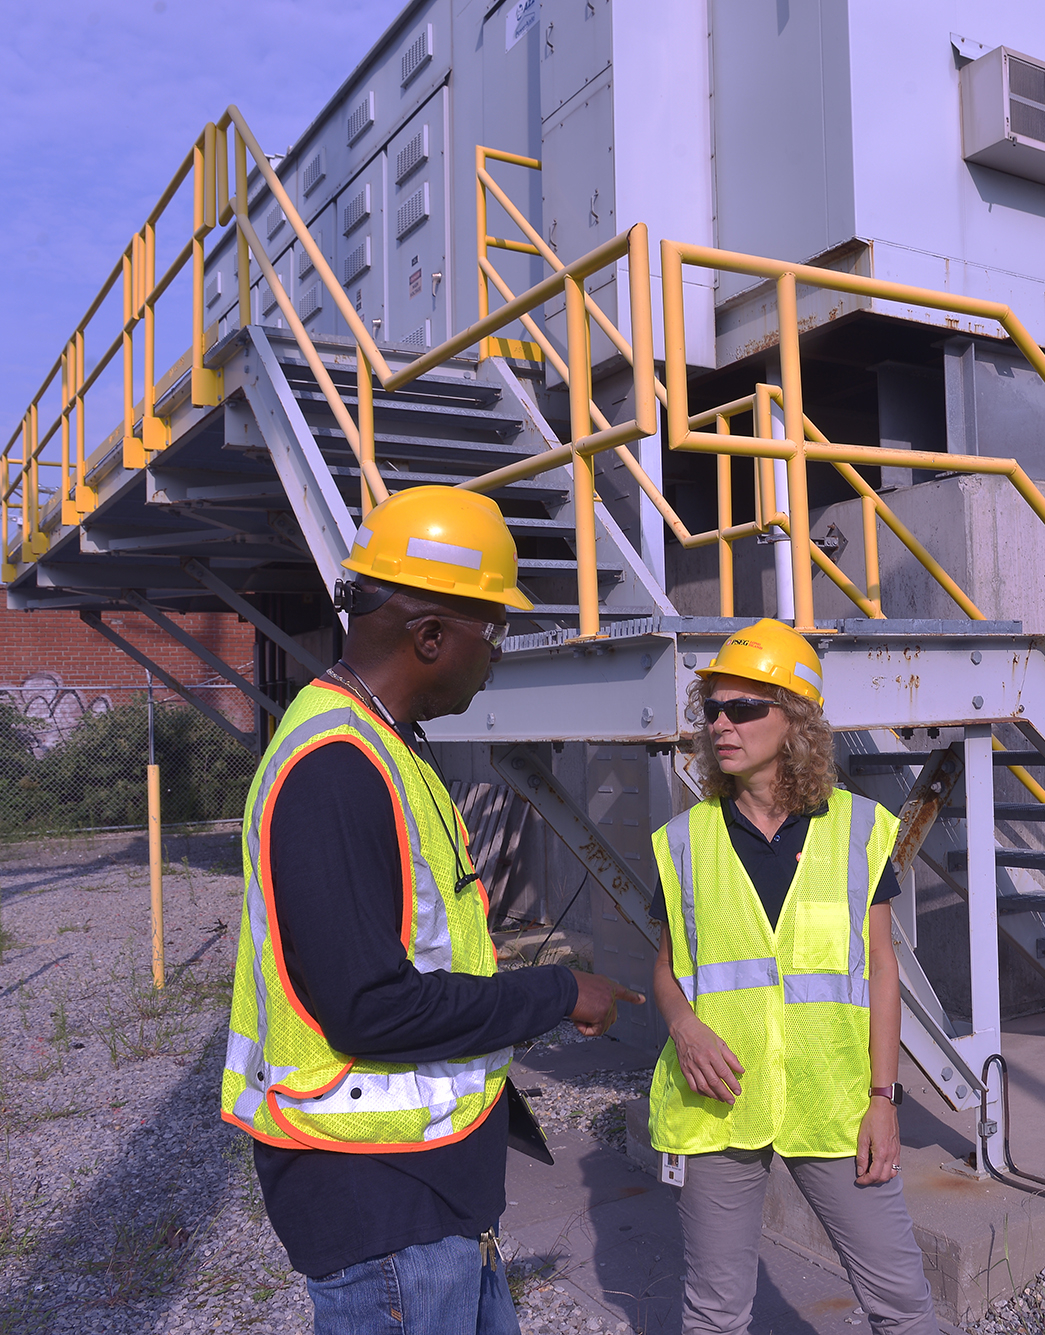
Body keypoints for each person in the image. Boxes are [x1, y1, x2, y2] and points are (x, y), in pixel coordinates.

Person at [221, 483, 643, 1334]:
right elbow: (370, 1005)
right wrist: (559, 992)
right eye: (494, 634)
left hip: (427, 1189)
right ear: (429, 636)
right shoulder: (335, 769)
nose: (496, 656)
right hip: (380, 1209)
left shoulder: (385, 747)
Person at [648, 618, 938, 1335]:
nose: (721, 722)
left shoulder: (860, 828)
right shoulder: (684, 840)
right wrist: (683, 1025)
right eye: (712, 707)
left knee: (901, 1302)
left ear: (797, 720)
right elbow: (665, 966)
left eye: (744, 708)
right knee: (715, 1314)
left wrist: (883, 1098)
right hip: (719, 1101)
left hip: (834, 1100)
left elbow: (880, 971)